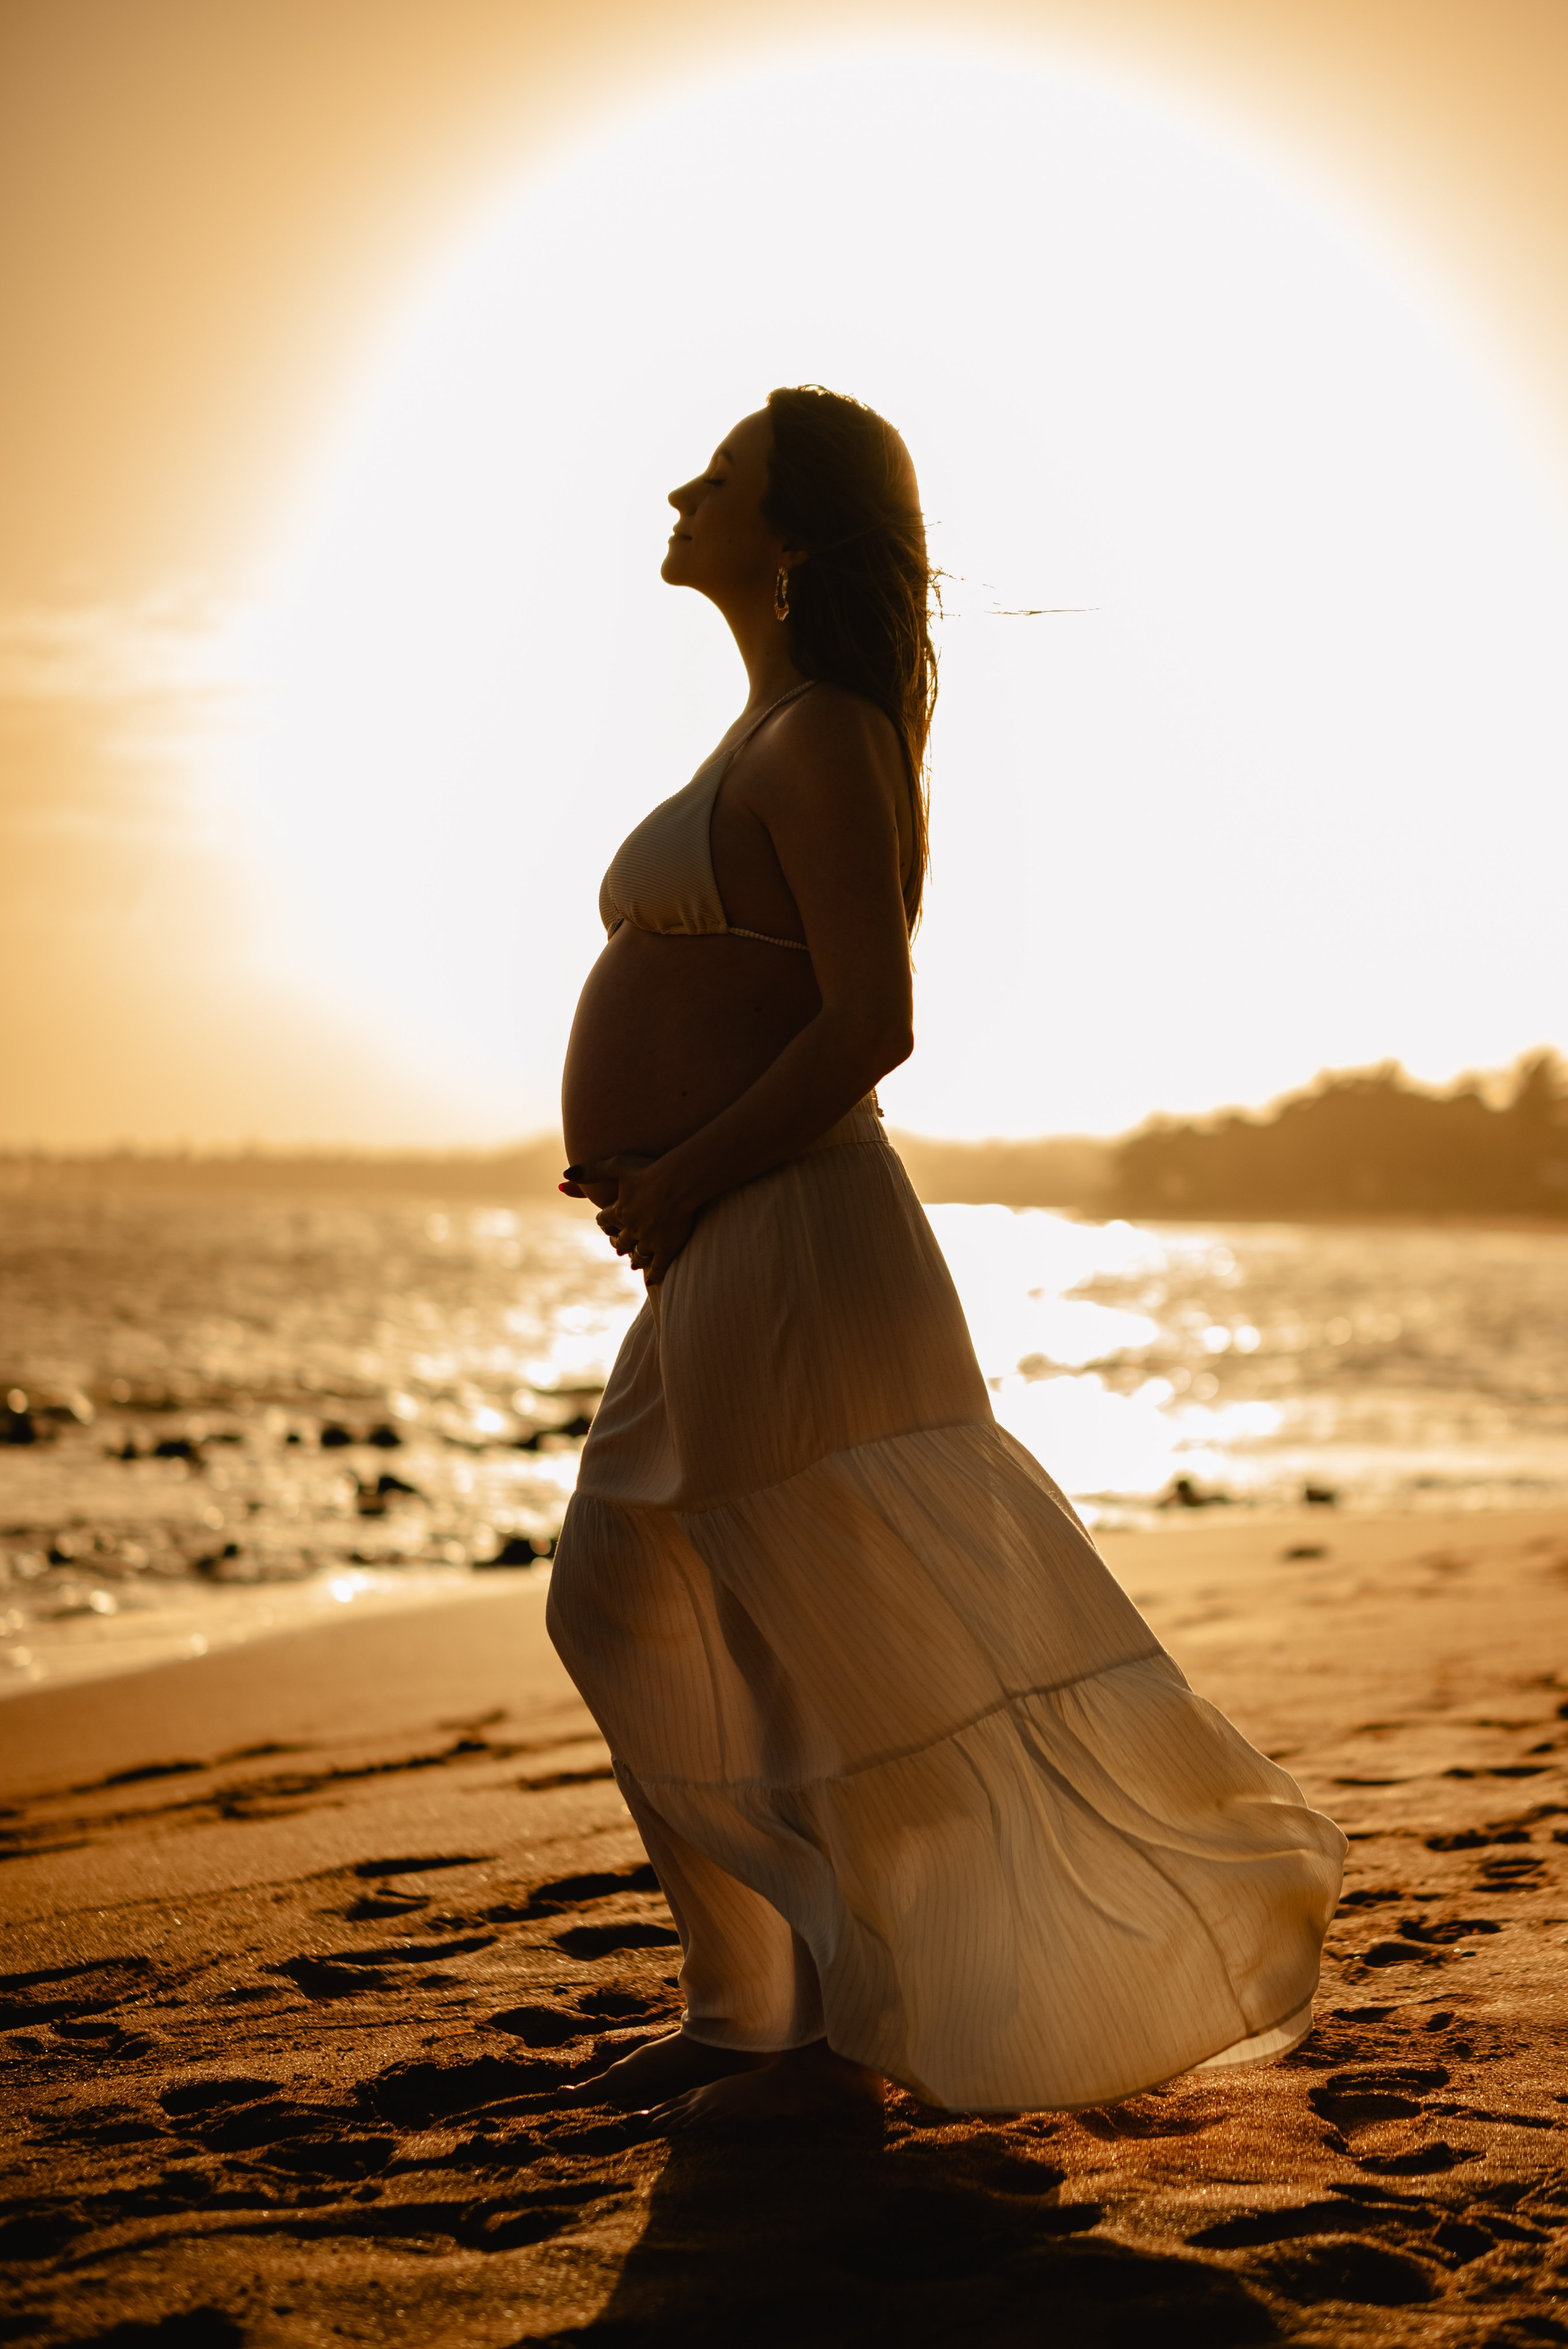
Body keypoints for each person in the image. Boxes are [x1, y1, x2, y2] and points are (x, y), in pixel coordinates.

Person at [548, 385, 1345, 2125]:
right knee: (633, 1587)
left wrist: (682, 1172)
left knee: (775, 1618)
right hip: (723, 1230)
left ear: (800, 531)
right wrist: (673, 1186)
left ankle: (810, 2034)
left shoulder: (825, 732)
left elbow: (872, 1018)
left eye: (725, 475)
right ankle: (756, 2003)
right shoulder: (760, 731)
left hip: (787, 1216)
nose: (682, 489)